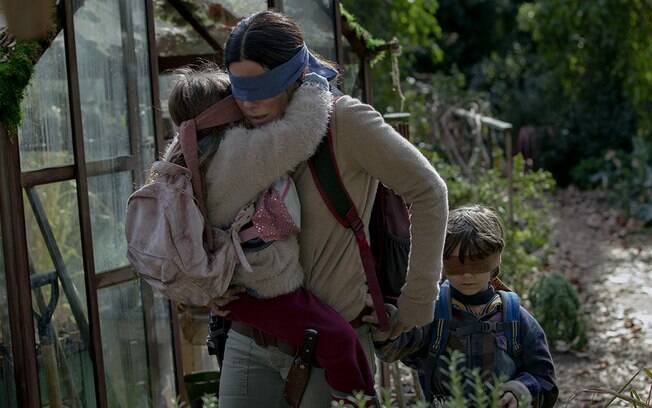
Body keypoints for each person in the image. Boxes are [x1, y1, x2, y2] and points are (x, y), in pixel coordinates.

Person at [211, 10, 449, 407]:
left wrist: (416, 302)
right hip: (249, 336)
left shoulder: (344, 121)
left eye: (262, 86)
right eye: (240, 87)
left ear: (293, 74)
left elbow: (428, 190)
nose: (249, 103)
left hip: (332, 344)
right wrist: (204, 282)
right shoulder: (232, 124)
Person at [163, 65, 378, 404]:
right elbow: (301, 134)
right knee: (341, 341)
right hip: (265, 288)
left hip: (232, 289)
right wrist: (313, 83)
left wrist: (203, 288)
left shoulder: (181, 157)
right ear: (223, 110)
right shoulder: (233, 155)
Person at [375, 205, 558, 407]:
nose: (467, 274)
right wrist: (386, 328)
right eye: (457, 265)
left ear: (495, 262)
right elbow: (396, 348)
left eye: (477, 263)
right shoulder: (432, 314)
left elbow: (545, 380)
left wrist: (520, 391)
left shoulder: (516, 318)